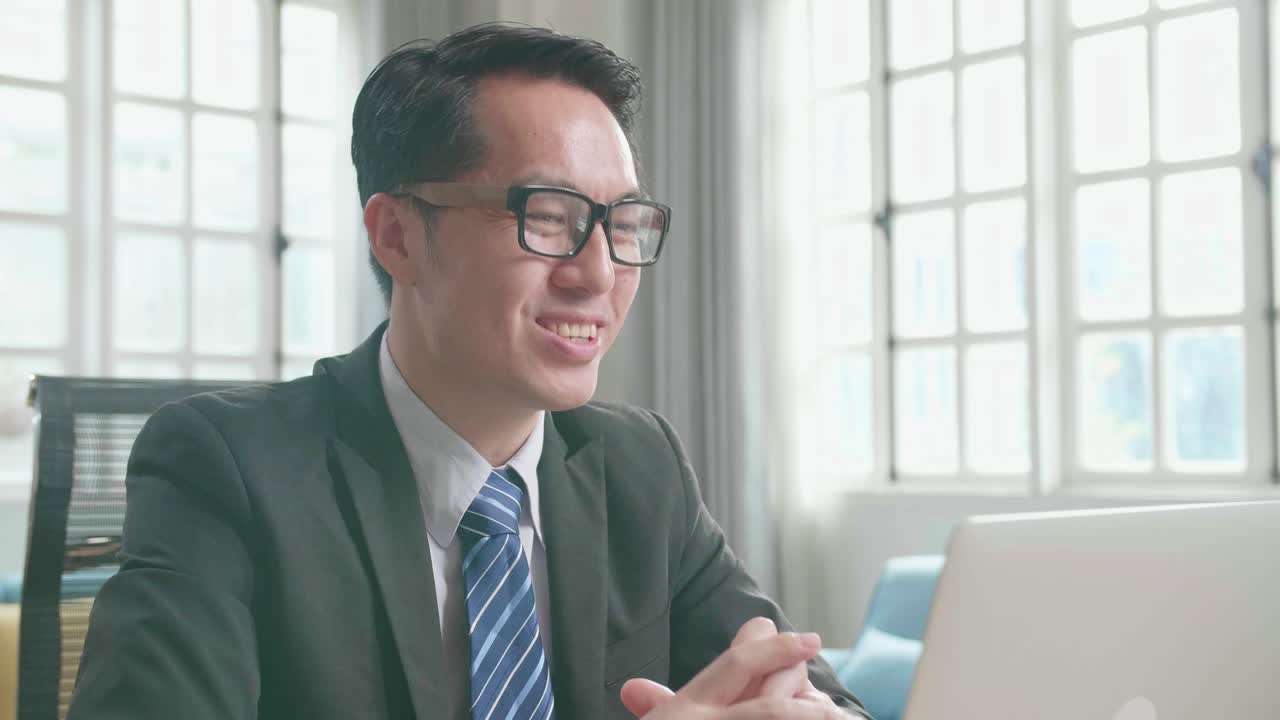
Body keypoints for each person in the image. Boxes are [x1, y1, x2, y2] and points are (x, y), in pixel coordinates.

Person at [68, 23, 869, 720]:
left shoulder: (640, 468)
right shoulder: (230, 468)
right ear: (397, 237)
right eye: (548, 217)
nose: (598, 274)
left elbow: (815, 697)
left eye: (623, 223)